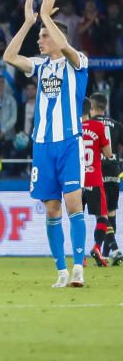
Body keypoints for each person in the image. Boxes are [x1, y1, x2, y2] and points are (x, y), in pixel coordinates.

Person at [3, 0, 88, 288]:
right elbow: (9, 57)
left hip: (69, 142)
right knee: (52, 210)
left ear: (55, 36)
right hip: (42, 146)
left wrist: (47, 18)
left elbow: (65, 46)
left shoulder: (78, 63)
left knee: (73, 203)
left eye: (43, 36)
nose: (39, 41)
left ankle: (78, 267)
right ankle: (61, 272)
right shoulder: (40, 66)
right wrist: (28, 23)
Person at [80, 98, 113, 268]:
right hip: (94, 179)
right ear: (90, 109)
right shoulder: (99, 127)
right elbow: (108, 154)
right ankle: (97, 247)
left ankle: (80, 257)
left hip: (76, 181)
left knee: (76, 219)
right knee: (103, 216)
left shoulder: (72, 129)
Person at [90, 93, 122, 263]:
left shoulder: (88, 125)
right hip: (114, 171)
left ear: (92, 107)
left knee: (102, 216)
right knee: (111, 213)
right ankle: (106, 255)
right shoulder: (117, 125)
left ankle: (114, 250)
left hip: (97, 172)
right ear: (105, 106)